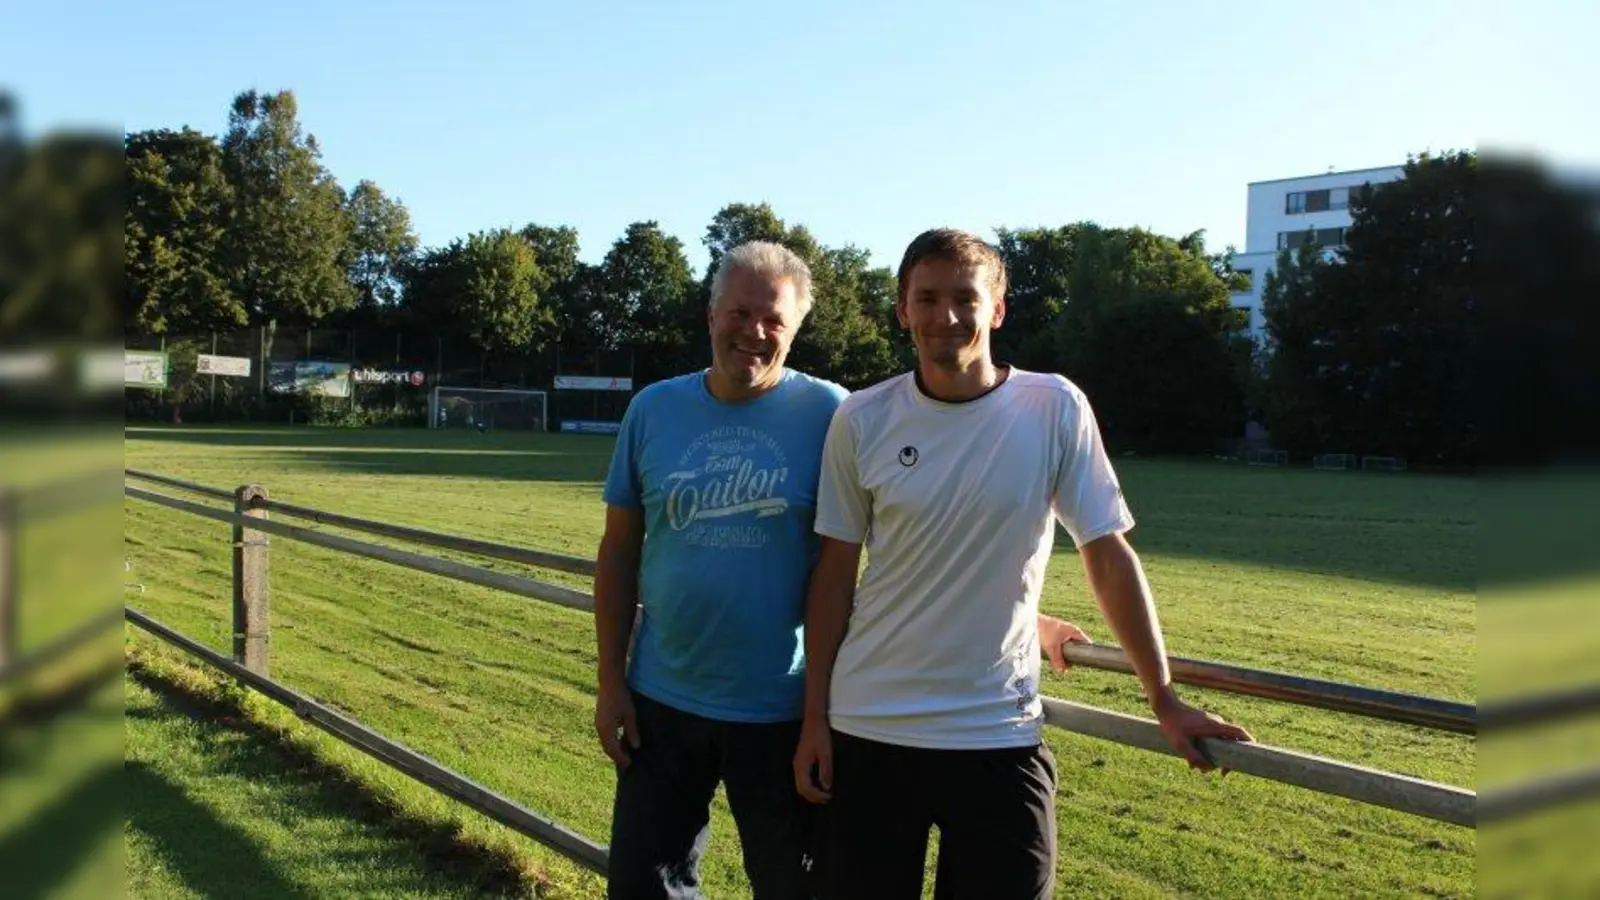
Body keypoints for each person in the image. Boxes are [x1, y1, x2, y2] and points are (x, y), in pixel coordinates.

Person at [792, 227, 1254, 899]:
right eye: (926, 298)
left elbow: (1107, 552)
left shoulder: (1053, 407)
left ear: (998, 308)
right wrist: (814, 721)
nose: (945, 316)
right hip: (870, 728)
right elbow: (834, 579)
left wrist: (1164, 698)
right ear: (902, 309)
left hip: (997, 730)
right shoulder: (862, 419)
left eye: (964, 297)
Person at [592, 240, 848, 900]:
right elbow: (619, 550)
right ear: (710, 315)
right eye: (739, 312)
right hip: (662, 703)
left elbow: (891, 542)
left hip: (784, 710)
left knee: (793, 890)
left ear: (795, 330)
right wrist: (610, 681)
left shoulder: (835, 416)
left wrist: (819, 713)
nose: (754, 332)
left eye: (774, 321)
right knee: (644, 890)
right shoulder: (653, 409)